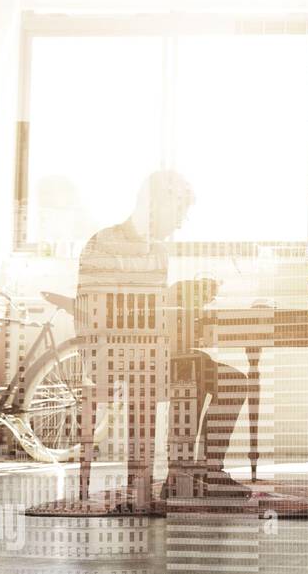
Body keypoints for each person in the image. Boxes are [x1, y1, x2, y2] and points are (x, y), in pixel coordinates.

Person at [77, 171, 249, 504]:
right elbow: (103, 315)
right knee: (192, 369)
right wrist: (173, 297)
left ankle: (204, 472)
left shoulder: (157, 250)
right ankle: (181, 476)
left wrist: (183, 300)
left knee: (232, 380)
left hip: (147, 350)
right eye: (179, 213)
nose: (180, 223)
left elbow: (152, 314)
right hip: (108, 352)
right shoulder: (105, 242)